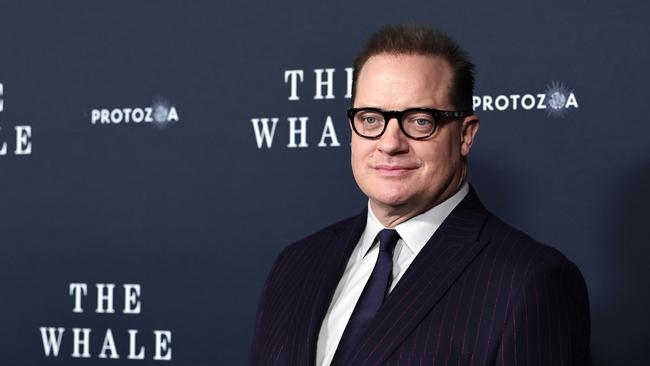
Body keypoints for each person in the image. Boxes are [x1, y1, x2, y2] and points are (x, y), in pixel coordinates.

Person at [250, 24, 592, 366]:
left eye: (419, 121)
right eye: (370, 119)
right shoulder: (295, 264)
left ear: (465, 135)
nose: (390, 143)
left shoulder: (529, 282)